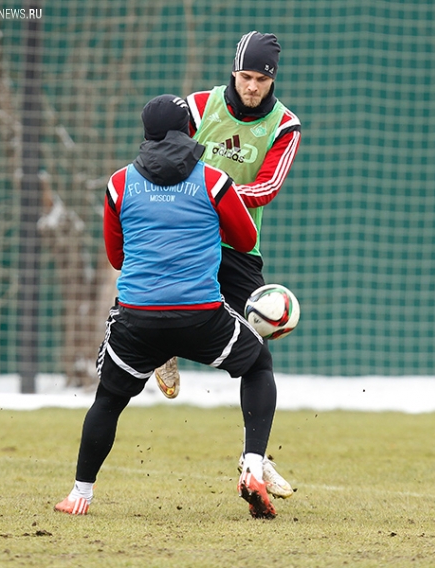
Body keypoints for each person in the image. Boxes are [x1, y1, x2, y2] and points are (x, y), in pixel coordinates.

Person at [54, 94, 279, 519]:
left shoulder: (118, 183)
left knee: (108, 400)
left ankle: (80, 494)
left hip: (136, 317)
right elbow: (246, 242)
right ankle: (252, 467)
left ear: (146, 135)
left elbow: (117, 258)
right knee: (258, 364)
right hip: (201, 314)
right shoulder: (213, 180)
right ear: (190, 133)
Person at [154, 31, 301, 499]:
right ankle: (162, 348)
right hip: (187, 235)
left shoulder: (284, 126)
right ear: (232, 73)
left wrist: (216, 199)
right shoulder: (199, 108)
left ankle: (254, 461)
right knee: (151, 309)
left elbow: (267, 187)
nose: (251, 86)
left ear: (272, 79)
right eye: (244, 76)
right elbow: (161, 155)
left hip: (239, 245)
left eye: (260, 78)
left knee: (258, 353)